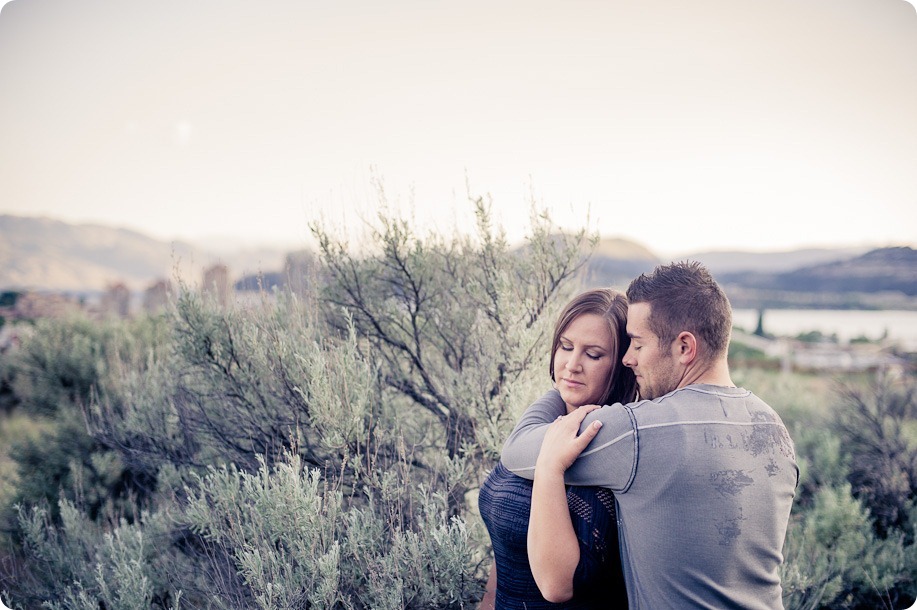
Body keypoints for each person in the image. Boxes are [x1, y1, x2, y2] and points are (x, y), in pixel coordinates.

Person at [502, 261, 798, 609]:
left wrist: (562, 382)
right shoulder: (774, 429)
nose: (628, 358)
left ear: (685, 348)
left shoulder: (640, 432)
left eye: (638, 345)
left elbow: (519, 449)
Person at [478, 289, 636, 609]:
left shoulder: (615, 451)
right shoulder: (537, 430)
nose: (572, 364)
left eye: (593, 355)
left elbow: (557, 586)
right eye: (565, 347)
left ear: (621, 365)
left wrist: (552, 467)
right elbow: (508, 542)